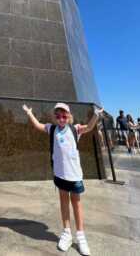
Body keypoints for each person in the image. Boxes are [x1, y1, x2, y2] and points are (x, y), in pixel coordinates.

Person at [23, 102, 104, 255]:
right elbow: (39, 126)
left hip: (74, 175)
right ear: (55, 117)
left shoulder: (75, 129)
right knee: (63, 202)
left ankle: (81, 237)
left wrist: (96, 115)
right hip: (60, 174)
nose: (61, 118)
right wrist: (29, 114)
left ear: (69, 116)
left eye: (64, 115)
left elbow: (89, 127)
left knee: (76, 204)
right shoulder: (52, 129)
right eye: (58, 116)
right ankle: (66, 233)